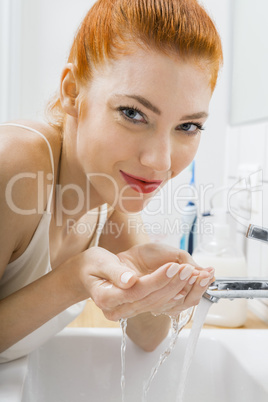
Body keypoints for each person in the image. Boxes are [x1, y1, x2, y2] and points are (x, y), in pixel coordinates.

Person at [0, 0, 223, 362]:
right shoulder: (15, 163)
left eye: (187, 126)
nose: (160, 161)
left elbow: (149, 337)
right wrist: (74, 279)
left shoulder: (110, 195)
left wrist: (156, 283)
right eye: (133, 113)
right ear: (72, 92)